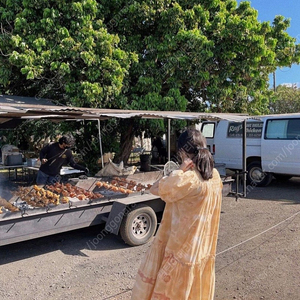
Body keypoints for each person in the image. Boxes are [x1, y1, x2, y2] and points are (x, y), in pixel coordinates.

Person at [131, 128, 223, 300]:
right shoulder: (215, 176)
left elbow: (155, 188)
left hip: (179, 251)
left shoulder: (186, 179)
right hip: (202, 248)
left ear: (183, 152)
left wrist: (179, 169)